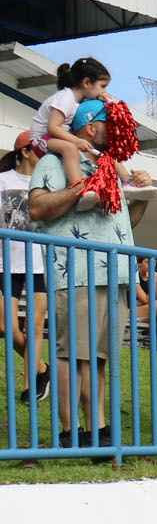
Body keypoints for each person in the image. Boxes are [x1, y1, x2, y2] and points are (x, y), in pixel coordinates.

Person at [28, 99, 157, 449]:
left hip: (115, 276)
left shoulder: (111, 167)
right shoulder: (55, 161)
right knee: (70, 354)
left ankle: (97, 430)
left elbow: (122, 223)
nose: (116, 132)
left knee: (97, 359)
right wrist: (78, 189)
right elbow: (37, 207)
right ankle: (74, 433)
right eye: (109, 125)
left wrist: (141, 196)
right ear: (89, 127)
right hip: (76, 273)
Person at [28, 58, 150, 211]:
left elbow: (106, 105)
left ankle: (126, 180)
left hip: (59, 136)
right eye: (102, 86)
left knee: (106, 155)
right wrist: (75, 141)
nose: (103, 91)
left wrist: (106, 98)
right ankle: (80, 189)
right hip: (42, 138)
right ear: (86, 83)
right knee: (69, 149)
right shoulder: (65, 98)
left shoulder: (80, 100)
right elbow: (52, 127)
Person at [0, 130, 49, 402]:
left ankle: (30, 386)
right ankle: (42, 369)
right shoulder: (3, 180)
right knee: (7, 326)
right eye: (37, 148)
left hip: (39, 262)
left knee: (36, 324)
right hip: (5, 261)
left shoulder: (46, 183)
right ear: (25, 151)